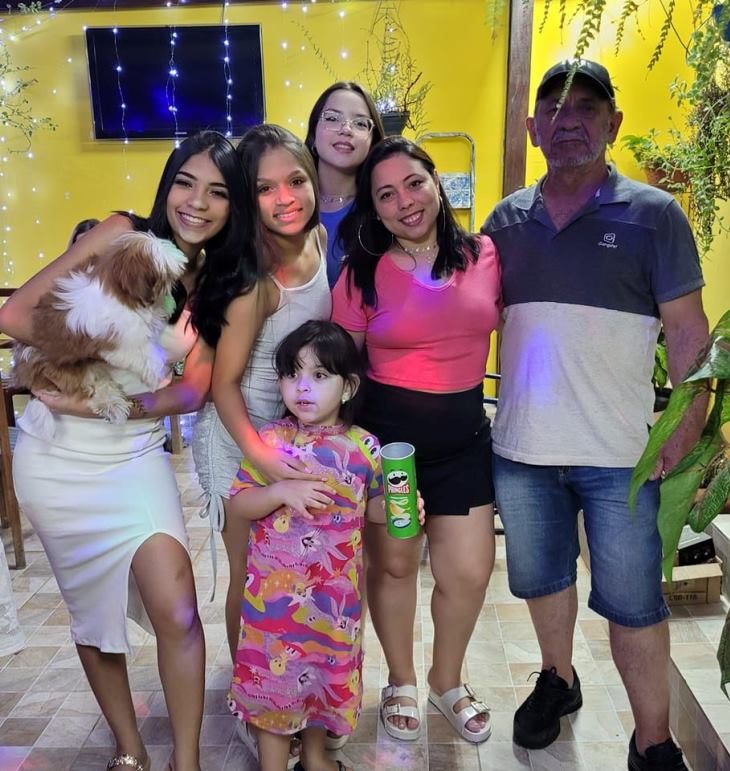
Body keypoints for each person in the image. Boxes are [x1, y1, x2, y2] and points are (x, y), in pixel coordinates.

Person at [0, 130, 255, 771]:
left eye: (218, 192)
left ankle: (186, 761)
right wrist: (105, 347)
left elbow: (191, 390)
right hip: (55, 457)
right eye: (185, 183)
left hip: (134, 453)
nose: (196, 202)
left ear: (234, 204)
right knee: (92, 613)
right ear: (167, 184)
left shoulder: (220, 281)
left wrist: (109, 403)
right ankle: (129, 750)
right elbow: (16, 314)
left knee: (178, 609)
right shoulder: (119, 233)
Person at [482, 60, 709, 771]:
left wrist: (688, 423)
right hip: (524, 450)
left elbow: (688, 332)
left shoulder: (656, 216)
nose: (569, 120)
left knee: (635, 603)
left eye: (586, 106)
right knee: (543, 581)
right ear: (532, 127)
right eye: (554, 108)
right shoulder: (504, 222)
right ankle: (559, 679)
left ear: (614, 122)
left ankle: (652, 740)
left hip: (622, 456)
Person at [332, 136, 501, 744]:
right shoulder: (361, 273)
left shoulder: (484, 254)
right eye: (386, 195)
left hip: (463, 446)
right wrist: (354, 462)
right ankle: (400, 681)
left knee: (470, 571)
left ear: (436, 183)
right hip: (392, 455)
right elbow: (343, 371)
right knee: (397, 565)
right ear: (374, 210)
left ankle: (445, 681)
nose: (405, 201)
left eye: (414, 183)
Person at [191, 124, 331, 765]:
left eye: (295, 180)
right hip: (239, 436)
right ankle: (253, 704)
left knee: (294, 573)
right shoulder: (254, 279)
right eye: (264, 188)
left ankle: (296, 691)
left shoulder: (320, 241)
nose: (285, 199)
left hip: (295, 433)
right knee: (254, 577)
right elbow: (222, 387)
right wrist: (266, 462)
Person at [228, 320, 421, 771]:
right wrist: (279, 491)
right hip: (275, 608)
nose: (302, 387)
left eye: (319, 376)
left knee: (318, 682)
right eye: (292, 374)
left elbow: (373, 509)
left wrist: (405, 505)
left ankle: (315, 758)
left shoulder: (364, 447)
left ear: (348, 387)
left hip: (334, 606)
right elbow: (240, 503)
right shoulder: (272, 442)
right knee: (275, 690)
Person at [304, 82, 384, 288]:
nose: (346, 129)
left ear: (372, 141)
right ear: (313, 133)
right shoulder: (288, 204)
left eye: (360, 123)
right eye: (332, 118)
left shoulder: (383, 211)